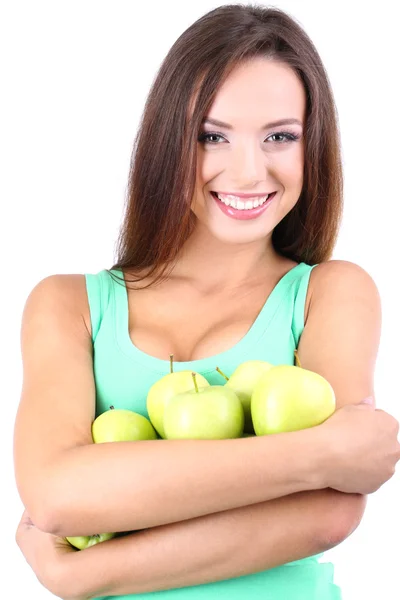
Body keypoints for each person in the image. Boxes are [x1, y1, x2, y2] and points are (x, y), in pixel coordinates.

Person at [14, 4, 400, 600]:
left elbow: (326, 514)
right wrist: (318, 453)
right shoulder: (69, 305)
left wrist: (81, 571)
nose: (248, 172)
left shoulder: (332, 293)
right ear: (168, 141)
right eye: (212, 136)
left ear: (312, 146)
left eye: (280, 136)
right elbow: (57, 496)